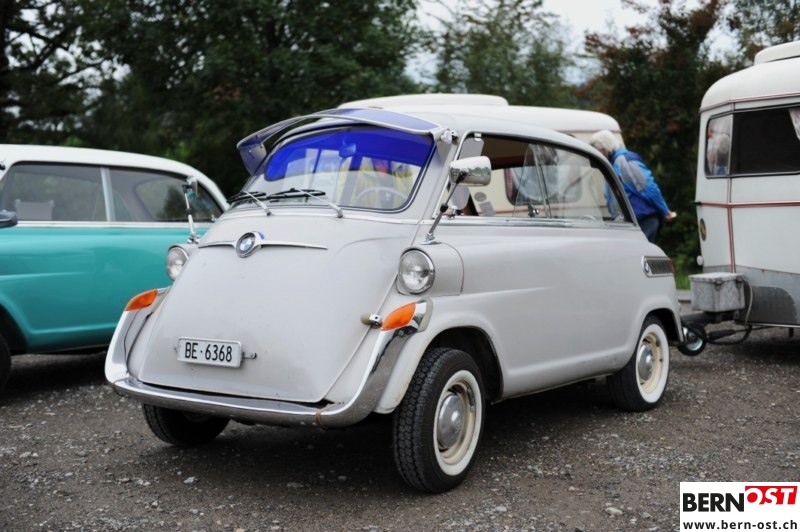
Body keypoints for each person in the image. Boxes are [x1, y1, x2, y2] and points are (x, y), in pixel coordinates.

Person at [589, 129, 675, 243]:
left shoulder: (625, 161)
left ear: (604, 148)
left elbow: (648, 187)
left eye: (597, 151)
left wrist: (664, 211)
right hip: (633, 223)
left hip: (644, 219)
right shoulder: (613, 164)